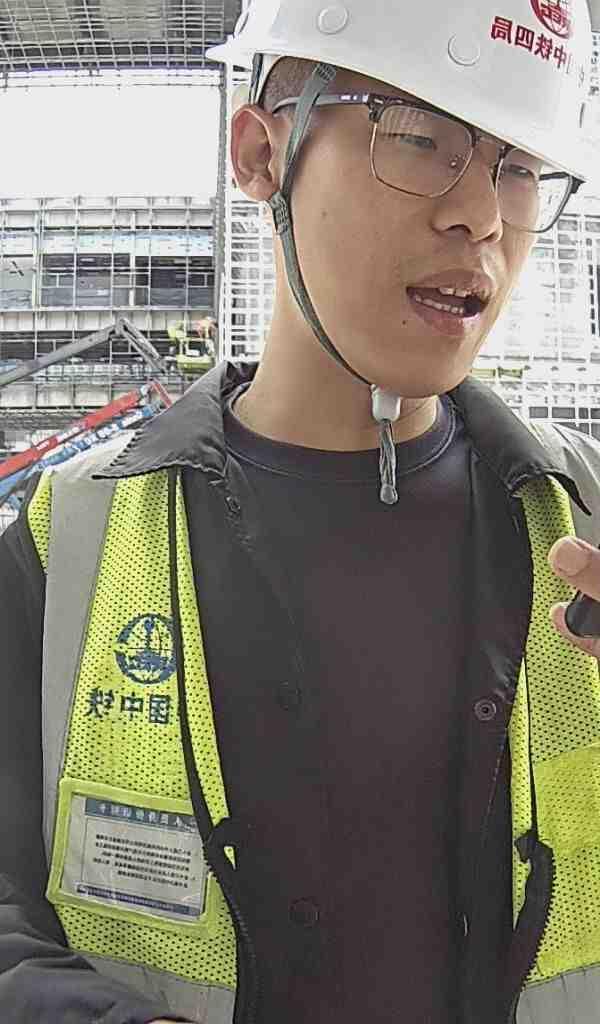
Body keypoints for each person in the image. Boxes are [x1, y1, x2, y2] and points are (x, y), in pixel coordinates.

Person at [1, 1, 600, 1022]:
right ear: (260, 154)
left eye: (517, 167)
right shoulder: (72, 544)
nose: (481, 216)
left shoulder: (582, 524)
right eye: (420, 138)